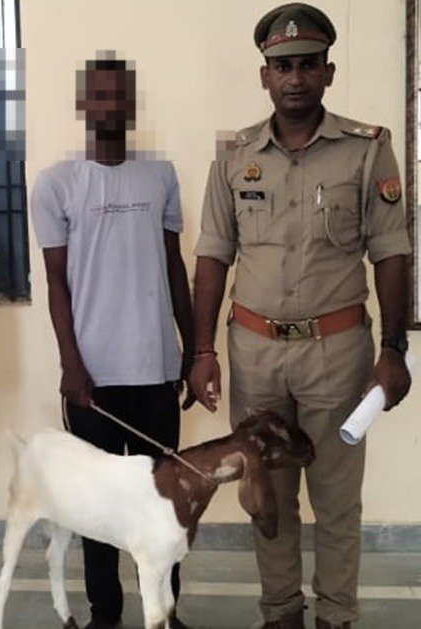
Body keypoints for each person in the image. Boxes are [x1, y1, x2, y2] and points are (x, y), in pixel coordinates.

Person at [188, 4, 412, 628]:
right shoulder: (234, 155)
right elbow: (213, 255)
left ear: (328, 72)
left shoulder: (367, 150)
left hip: (336, 355)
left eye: (308, 65)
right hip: (255, 353)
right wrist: (202, 352)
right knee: (267, 496)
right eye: (282, 67)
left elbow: (392, 252)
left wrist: (394, 349)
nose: (295, 78)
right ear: (264, 75)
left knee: (336, 500)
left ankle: (335, 616)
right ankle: (281, 612)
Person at [31, 55, 194, 629]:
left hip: (156, 370)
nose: (109, 105)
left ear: (130, 104)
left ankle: (165, 613)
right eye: (98, 95)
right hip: (92, 380)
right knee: (98, 510)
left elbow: (174, 266)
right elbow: (55, 282)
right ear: (84, 105)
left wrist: (192, 350)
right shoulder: (57, 183)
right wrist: (71, 364)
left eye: (118, 95)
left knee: (165, 506)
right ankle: (107, 614)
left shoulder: (160, 175)